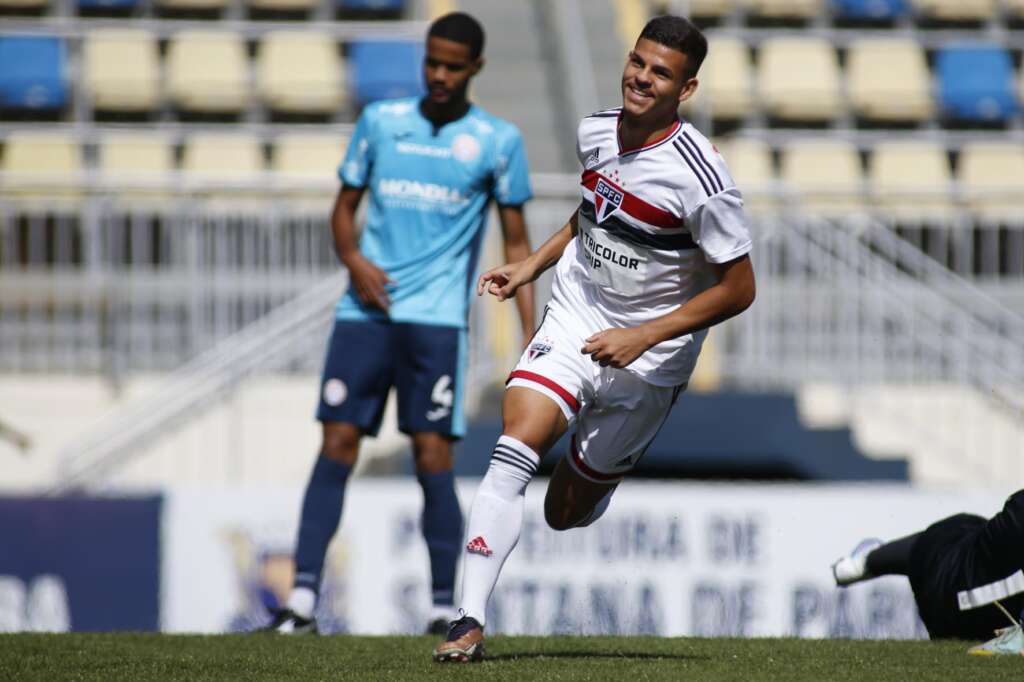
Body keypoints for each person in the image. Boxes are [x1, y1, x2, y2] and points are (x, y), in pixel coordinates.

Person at [432, 15, 756, 663]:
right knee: (515, 442)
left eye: (661, 73)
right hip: (578, 314)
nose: (642, 78)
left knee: (564, 512)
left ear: (686, 89)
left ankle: (596, 475)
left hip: (651, 357)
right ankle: (467, 620)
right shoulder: (596, 130)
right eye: (638, 62)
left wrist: (642, 336)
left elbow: (739, 288)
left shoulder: (702, 178)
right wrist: (534, 263)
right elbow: (592, 211)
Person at [264, 11, 535, 635]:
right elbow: (343, 209)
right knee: (337, 443)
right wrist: (353, 259)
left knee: (432, 455)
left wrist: (532, 339)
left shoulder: (497, 140)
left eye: (452, 66)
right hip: (364, 317)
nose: (439, 75)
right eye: (431, 62)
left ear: (475, 68)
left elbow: (517, 244)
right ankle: (301, 602)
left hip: (436, 325)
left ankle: (443, 606)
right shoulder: (381, 122)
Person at [832, 489, 1024, 655]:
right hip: (954, 592)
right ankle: (866, 561)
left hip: (948, 574)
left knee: (936, 546)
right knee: (939, 546)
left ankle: (864, 561)